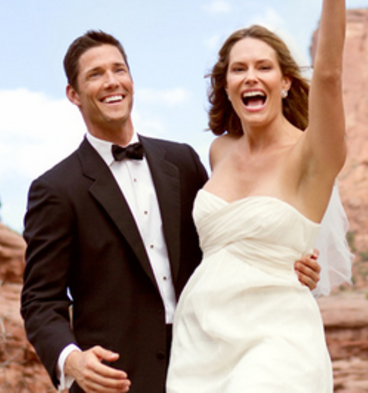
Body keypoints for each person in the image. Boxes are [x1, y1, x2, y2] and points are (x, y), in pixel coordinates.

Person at [20, 30, 323, 393]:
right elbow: (40, 299)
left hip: (209, 362)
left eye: (119, 69)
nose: (111, 81)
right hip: (117, 379)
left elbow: (228, 239)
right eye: (95, 74)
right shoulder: (55, 189)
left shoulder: (182, 162)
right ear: (73, 94)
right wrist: (71, 359)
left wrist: (291, 260)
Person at [166, 0, 349, 392]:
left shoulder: (314, 154)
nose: (252, 76)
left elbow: (330, 74)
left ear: (285, 80)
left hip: (278, 343)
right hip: (200, 340)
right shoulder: (218, 152)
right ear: (225, 84)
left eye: (264, 67)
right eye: (238, 68)